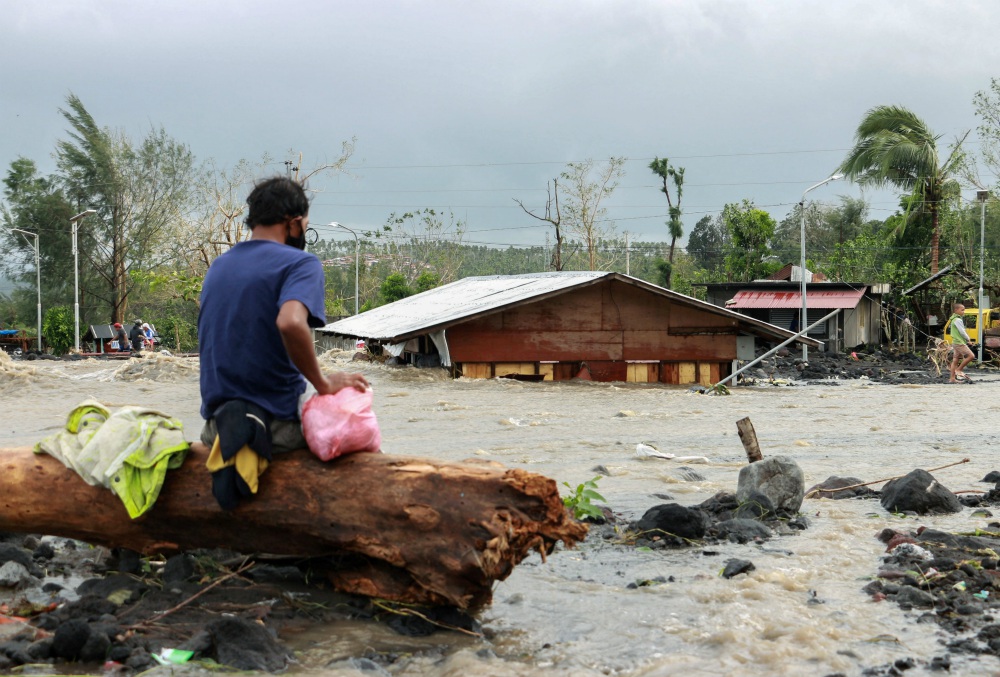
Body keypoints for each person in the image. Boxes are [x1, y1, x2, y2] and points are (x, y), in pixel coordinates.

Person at [196, 176, 369, 456]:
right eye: (305, 226)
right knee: (357, 428)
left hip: (216, 429)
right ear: (293, 222)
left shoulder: (219, 266)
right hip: (273, 427)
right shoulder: (300, 264)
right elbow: (290, 322)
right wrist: (323, 384)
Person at [948, 303, 975, 383]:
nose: (964, 312)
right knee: (971, 356)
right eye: (962, 310)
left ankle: (952, 379)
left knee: (955, 360)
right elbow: (962, 332)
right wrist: (968, 339)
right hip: (959, 342)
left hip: (955, 342)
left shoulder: (953, 319)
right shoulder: (958, 320)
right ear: (956, 310)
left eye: (964, 310)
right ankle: (959, 370)